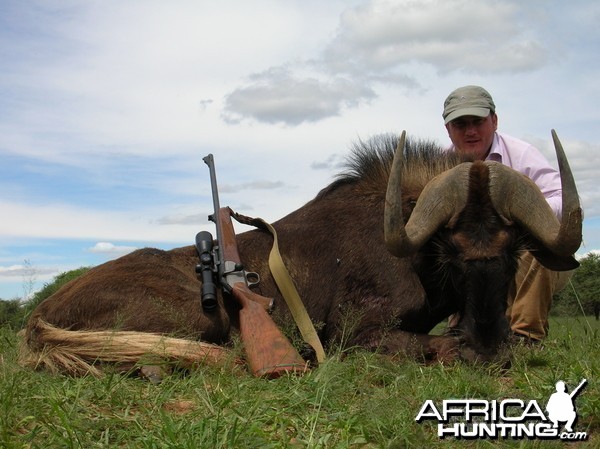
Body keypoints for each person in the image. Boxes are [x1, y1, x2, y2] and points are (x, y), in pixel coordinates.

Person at [442, 85, 572, 341]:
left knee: (537, 240)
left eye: (478, 121)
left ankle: (527, 335)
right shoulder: (440, 167)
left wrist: (525, 214)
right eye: (460, 124)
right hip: (472, 260)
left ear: (494, 120)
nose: (471, 131)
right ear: (448, 129)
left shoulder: (522, 154)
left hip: (524, 257)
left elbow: (563, 202)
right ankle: (460, 329)